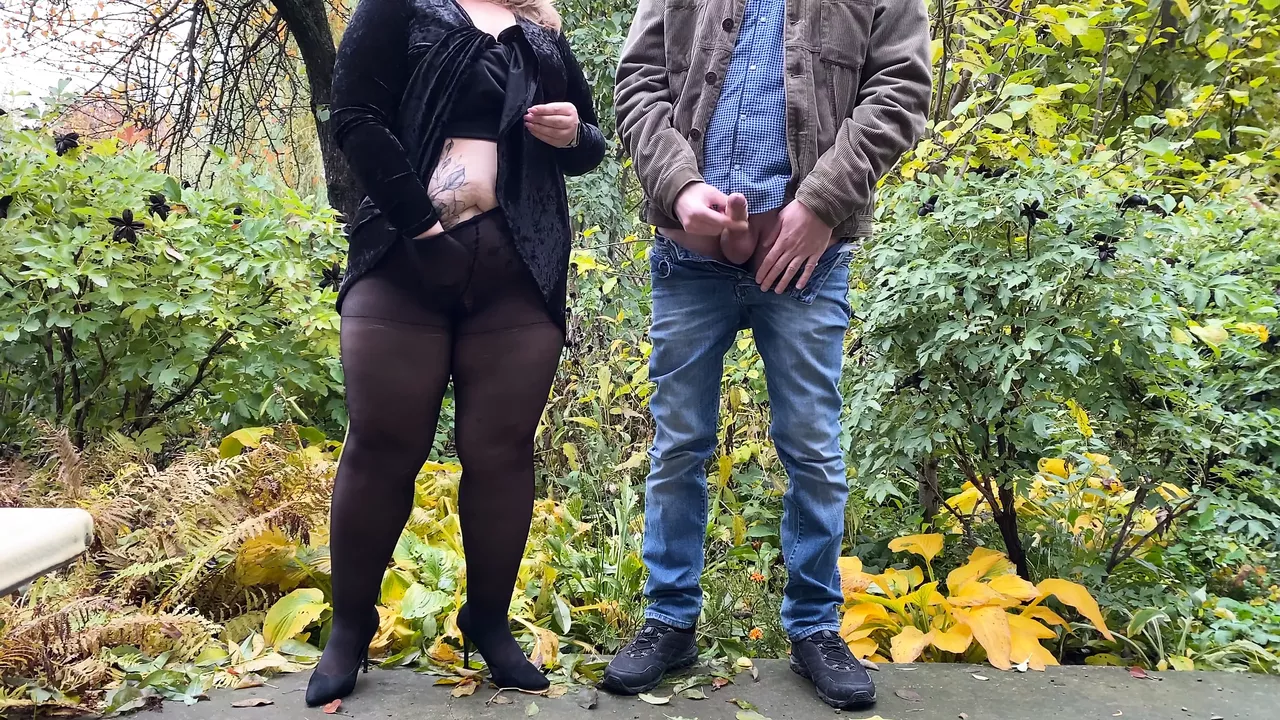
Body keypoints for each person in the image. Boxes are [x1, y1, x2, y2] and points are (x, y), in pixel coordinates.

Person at [607, 0, 931, 709]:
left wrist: (820, 205)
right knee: (678, 445)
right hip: (688, 260)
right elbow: (637, 82)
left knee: (812, 448)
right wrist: (680, 188)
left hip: (811, 260)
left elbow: (902, 86)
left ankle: (816, 627)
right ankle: (669, 620)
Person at [306, 0, 604, 707]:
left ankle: (488, 622)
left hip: (520, 272)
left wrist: (572, 133)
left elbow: (589, 145)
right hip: (402, 259)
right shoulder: (400, 8)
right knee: (382, 444)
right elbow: (355, 117)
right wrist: (425, 233)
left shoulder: (541, 30)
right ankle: (350, 627)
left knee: (502, 452)